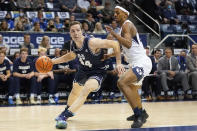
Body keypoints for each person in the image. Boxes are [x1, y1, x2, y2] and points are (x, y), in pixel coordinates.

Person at [52, 21, 124, 129]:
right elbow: (71, 56)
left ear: (82, 31)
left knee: (87, 88)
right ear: (70, 33)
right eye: (73, 31)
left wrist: (118, 63)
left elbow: (115, 44)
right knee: (75, 90)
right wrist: (53, 62)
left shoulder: (92, 42)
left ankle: (64, 116)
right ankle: (68, 109)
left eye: (78, 30)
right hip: (83, 70)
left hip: (98, 71)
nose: (75, 33)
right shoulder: (73, 43)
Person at [105, 1, 152, 128]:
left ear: (125, 14)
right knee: (131, 88)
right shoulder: (123, 28)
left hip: (142, 62)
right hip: (137, 63)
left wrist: (114, 34)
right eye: (114, 12)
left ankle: (138, 116)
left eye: (117, 12)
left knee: (122, 82)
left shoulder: (127, 25)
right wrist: (109, 55)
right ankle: (142, 112)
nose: (115, 15)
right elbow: (124, 49)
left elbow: (128, 44)